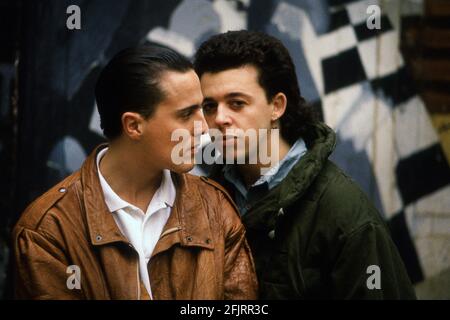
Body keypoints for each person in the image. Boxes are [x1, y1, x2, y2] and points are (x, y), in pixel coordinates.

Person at [12, 45, 258, 300]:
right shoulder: (49, 231)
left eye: (201, 108)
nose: (204, 127)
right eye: (186, 114)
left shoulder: (215, 210)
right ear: (133, 125)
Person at [194, 30, 416, 299]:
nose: (220, 118)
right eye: (209, 106)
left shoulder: (342, 209)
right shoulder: (207, 197)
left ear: (276, 106)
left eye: (237, 103)